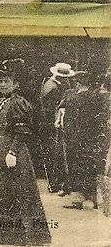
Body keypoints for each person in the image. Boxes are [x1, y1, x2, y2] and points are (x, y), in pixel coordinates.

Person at [0, 59, 51, 245]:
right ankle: (0, 233)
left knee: (14, 190)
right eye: (0, 81)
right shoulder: (3, 101)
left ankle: (16, 234)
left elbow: (22, 130)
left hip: (9, 150)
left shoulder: (18, 102)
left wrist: (13, 152)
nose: (2, 85)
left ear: (16, 84)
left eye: (6, 81)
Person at [60, 70, 103, 210]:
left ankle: (78, 198)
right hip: (90, 137)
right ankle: (93, 198)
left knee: (76, 165)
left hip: (75, 137)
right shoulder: (95, 96)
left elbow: (70, 120)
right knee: (90, 165)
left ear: (77, 83)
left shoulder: (75, 99)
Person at [39, 61, 74, 194]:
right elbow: (52, 108)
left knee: (54, 154)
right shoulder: (54, 88)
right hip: (51, 124)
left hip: (49, 123)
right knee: (54, 154)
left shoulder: (49, 83)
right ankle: (54, 183)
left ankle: (55, 183)